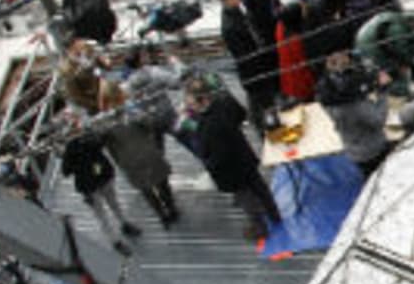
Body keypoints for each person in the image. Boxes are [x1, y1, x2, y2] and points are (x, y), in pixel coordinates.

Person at [185, 81, 283, 238]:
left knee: (247, 200)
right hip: (244, 157)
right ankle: (275, 216)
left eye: (191, 103)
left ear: (202, 100)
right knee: (261, 190)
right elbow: (241, 114)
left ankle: (260, 228)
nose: (189, 106)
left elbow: (214, 152)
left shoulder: (208, 124)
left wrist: (209, 163)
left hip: (230, 170)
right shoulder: (224, 105)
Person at [94, 81, 178, 228]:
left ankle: (162, 215)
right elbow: (150, 124)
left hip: (128, 160)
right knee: (162, 183)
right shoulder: (132, 110)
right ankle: (171, 209)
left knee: (146, 190)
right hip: (148, 152)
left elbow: (99, 141)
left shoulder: (100, 122)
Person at [58, 125, 139, 253]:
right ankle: (123, 227)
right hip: (102, 177)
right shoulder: (91, 139)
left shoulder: (71, 149)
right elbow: (102, 141)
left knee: (102, 215)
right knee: (112, 206)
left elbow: (66, 171)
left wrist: (68, 159)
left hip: (90, 184)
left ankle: (116, 239)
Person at [316, 52, 392, 172]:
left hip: (353, 151)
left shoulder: (328, 96)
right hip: (374, 152)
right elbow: (379, 120)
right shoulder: (355, 106)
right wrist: (383, 92)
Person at [218, 0, 279, 117]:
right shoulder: (230, 25)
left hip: (256, 66)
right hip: (253, 70)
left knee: (262, 100)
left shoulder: (236, 12)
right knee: (263, 102)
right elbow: (243, 53)